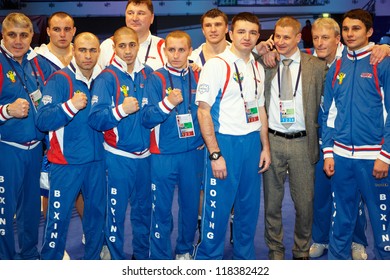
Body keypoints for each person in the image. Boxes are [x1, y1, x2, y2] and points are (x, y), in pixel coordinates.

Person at [307, 17, 390, 260]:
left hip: (374, 157)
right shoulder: (338, 66)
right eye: (346, 29)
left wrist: (385, 155)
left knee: (381, 220)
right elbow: (329, 113)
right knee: (341, 218)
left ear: (370, 31)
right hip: (342, 157)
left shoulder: (382, 62)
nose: (350, 34)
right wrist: (329, 152)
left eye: (356, 29)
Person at [194, 12, 271, 260]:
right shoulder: (217, 65)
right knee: (217, 210)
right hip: (225, 143)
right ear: (231, 33)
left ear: (258, 36)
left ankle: (244, 259)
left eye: (252, 32)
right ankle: (208, 259)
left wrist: (265, 147)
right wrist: (215, 154)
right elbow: (203, 111)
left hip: (251, 144)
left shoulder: (257, 67)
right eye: (241, 32)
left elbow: (260, 109)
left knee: (248, 209)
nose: (247, 37)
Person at [261, 16, 327, 260]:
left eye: (286, 37)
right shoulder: (266, 63)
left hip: (303, 142)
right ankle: (275, 250)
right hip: (273, 141)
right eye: (277, 36)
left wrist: (383, 47)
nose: (280, 41)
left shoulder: (316, 66)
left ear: (299, 38)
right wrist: (262, 51)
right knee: (271, 204)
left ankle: (301, 251)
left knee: (304, 204)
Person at [37, 32, 106, 260]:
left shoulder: (103, 79)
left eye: (93, 50)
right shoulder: (59, 79)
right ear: (74, 50)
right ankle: (51, 262)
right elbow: (43, 120)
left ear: (99, 52)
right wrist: (69, 106)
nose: (87, 56)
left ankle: (93, 260)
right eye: (83, 50)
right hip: (66, 164)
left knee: (96, 216)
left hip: (97, 162)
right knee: (58, 218)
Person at [88, 26, 153, 260]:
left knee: (144, 212)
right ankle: (115, 260)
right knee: (115, 213)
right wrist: (120, 111)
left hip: (145, 157)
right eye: (122, 46)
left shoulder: (148, 74)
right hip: (118, 157)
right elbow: (95, 118)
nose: (127, 51)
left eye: (132, 45)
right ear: (114, 47)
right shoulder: (106, 78)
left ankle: (141, 257)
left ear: (138, 46)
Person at [142, 30, 204, 260]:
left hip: (193, 154)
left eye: (181, 50)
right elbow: (146, 118)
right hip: (163, 154)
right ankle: (159, 256)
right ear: (164, 51)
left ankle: (184, 250)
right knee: (162, 209)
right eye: (171, 50)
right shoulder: (155, 79)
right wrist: (167, 103)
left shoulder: (200, 76)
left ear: (190, 51)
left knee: (189, 207)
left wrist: (205, 142)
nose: (176, 55)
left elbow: (209, 113)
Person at [0, 12, 53, 260]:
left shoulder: (36, 64)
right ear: (3, 35)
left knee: (31, 210)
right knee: (4, 211)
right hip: (7, 150)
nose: (18, 40)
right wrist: (7, 111)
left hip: (35, 151)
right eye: (12, 35)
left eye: (24, 35)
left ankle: (30, 257)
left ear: (32, 36)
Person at [34, 13, 85, 249]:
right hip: (52, 135)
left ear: (73, 30)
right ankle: (56, 245)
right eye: (57, 29)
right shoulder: (35, 59)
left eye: (66, 29)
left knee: (84, 190)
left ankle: (90, 234)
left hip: (83, 134)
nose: (62, 34)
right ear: (48, 31)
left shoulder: (85, 52)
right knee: (51, 192)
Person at [98, 0, 165, 70]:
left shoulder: (164, 47)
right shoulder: (108, 45)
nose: (134, 18)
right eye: (130, 13)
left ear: (152, 18)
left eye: (140, 13)